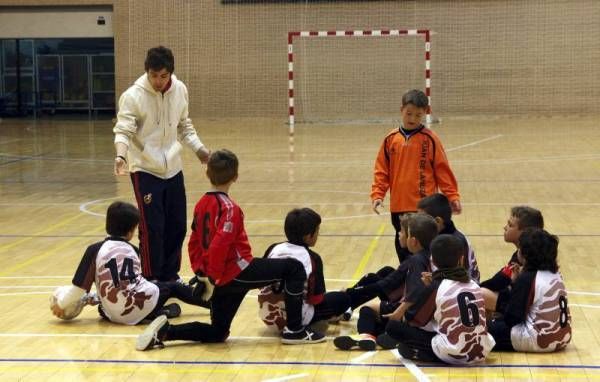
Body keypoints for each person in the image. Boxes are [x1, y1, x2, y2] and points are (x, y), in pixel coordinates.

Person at [136, 149, 325, 351]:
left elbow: (194, 242)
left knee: (219, 332)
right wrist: (212, 278)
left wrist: (201, 272)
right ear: (236, 176)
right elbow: (219, 245)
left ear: (207, 173)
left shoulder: (201, 204)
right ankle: (294, 330)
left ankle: (167, 332)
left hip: (217, 276)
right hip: (235, 270)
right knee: (294, 268)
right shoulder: (230, 209)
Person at [113, 46, 210, 283]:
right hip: (145, 170)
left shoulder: (180, 90)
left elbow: (184, 126)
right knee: (152, 229)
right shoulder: (133, 96)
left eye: (163, 76)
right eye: (153, 75)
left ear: (170, 73)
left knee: (177, 226)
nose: (158, 81)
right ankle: (151, 278)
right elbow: (123, 130)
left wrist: (200, 150)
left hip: (173, 169)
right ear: (147, 72)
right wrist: (121, 156)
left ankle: (170, 276)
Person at [50, 201, 208, 325]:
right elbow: (131, 284)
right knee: (172, 286)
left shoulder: (94, 250)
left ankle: (158, 314)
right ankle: (212, 304)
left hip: (116, 316)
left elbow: (78, 290)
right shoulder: (133, 250)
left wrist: (62, 304)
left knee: (103, 308)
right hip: (141, 304)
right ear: (131, 232)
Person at [371, 89, 460, 263]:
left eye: (418, 115)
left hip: (423, 208)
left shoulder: (431, 139)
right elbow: (382, 170)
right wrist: (377, 194)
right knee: (403, 246)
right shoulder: (391, 139)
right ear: (401, 110)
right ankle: (406, 283)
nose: (412, 119)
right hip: (399, 206)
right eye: (409, 113)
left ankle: (427, 284)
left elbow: (443, 170)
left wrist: (453, 196)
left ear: (425, 114)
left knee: (423, 251)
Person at [381, 234, 495, 364]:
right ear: (461, 259)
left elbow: (415, 320)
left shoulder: (437, 287)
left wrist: (424, 291)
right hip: (480, 351)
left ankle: (422, 353)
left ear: (432, 261)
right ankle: (418, 351)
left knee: (393, 327)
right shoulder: (474, 285)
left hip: (454, 354)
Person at [333, 213, 438, 351]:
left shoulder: (415, 261)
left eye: (401, 231)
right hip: (429, 314)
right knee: (385, 274)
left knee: (367, 310)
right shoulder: (434, 254)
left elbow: (414, 291)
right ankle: (383, 335)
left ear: (413, 241)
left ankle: (366, 336)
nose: (399, 234)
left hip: (412, 315)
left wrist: (399, 313)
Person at [257, 207, 356, 332]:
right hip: (296, 319)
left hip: (268, 317)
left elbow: (260, 284)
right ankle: (313, 324)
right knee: (343, 299)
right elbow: (316, 299)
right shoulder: (312, 258)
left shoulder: (273, 248)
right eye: (318, 231)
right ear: (309, 236)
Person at [486, 229, 571, 352]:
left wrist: (513, 286)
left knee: (481, 330)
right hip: (563, 337)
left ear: (525, 254)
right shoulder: (555, 273)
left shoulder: (527, 278)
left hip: (540, 340)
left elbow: (512, 318)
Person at [480, 206, 544, 311]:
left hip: (526, 312)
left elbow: (498, 281)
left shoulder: (526, 258)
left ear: (524, 232)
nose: (505, 227)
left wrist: (474, 287)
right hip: (522, 303)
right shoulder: (526, 252)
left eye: (510, 225)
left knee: (480, 294)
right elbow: (500, 279)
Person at [417, 193, 480, 283]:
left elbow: (458, 279)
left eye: (422, 219)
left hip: (461, 290)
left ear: (438, 221)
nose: (419, 224)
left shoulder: (451, 244)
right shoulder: (442, 237)